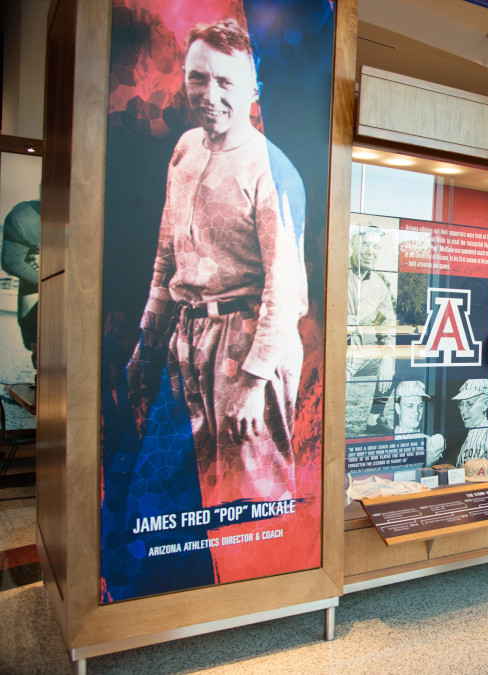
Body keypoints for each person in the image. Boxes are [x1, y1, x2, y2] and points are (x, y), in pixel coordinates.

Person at [127, 19, 307, 509]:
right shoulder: (184, 149)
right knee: (177, 492)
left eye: (226, 82)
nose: (210, 94)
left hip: (247, 344)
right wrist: (148, 342)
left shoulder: (272, 172)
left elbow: (285, 289)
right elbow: (167, 258)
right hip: (186, 340)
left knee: (250, 500)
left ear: (254, 91)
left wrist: (252, 383)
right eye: (198, 78)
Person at [345, 224, 396, 437]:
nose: (370, 252)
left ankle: (373, 421)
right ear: (352, 245)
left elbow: (389, 324)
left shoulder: (378, 284)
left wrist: (387, 357)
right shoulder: (337, 273)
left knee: (400, 363)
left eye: (375, 247)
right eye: (365, 244)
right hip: (336, 352)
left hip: (362, 353)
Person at [1, 199, 40, 368]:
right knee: (34, 332)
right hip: (37, 280)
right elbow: (11, 261)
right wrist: (45, 276)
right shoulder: (26, 217)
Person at [382, 380, 444, 466]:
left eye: (420, 406)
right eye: (410, 406)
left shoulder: (430, 443)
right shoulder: (386, 442)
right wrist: (426, 463)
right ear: (398, 408)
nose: (416, 412)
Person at [451, 379, 488, 467]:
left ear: (485, 404)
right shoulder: (469, 436)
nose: (463, 411)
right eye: (461, 404)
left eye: (469, 403)